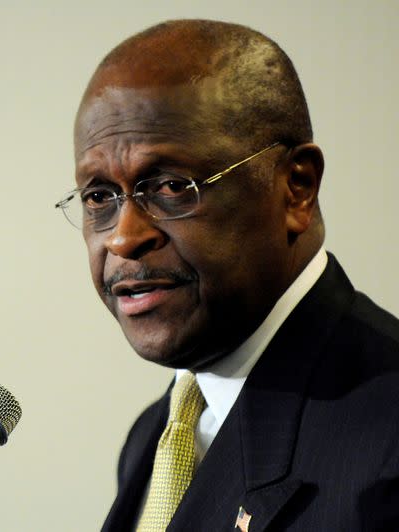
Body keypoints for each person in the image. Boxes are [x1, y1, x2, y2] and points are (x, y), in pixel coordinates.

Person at [56, 19, 399, 531]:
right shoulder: (152, 437)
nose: (123, 238)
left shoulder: (389, 433)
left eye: (171, 186)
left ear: (296, 188)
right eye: (100, 197)